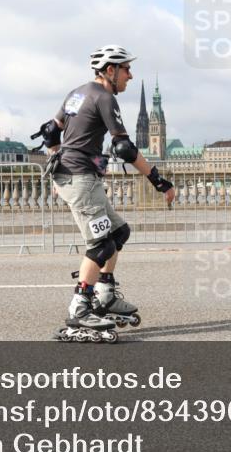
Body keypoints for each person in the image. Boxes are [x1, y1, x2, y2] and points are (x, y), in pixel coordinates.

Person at [40, 45, 176, 342]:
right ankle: (80, 306)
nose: (130, 74)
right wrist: (158, 180)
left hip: (78, 175)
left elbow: (50, 130)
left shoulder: (77, 93)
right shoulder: (104, 98)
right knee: (101, 244)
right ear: (110, 71)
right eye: (126, 69)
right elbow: (124, 148)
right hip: (80, 179)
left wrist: (56, 159)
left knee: (118, 233)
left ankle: (105, 295)